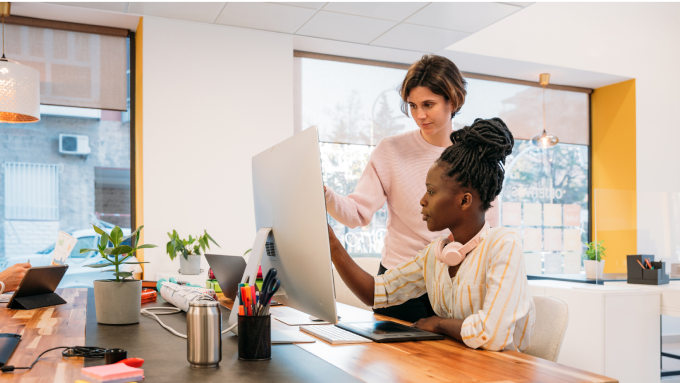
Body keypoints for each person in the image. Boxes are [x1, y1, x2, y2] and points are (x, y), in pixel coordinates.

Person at [329, 118, 535, 351]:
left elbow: (492, 335)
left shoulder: (503, 245)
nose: (422, 200)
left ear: (465, 200)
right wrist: (331, 243)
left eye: (431, 191)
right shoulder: (437, 253)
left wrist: (441, 324)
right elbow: (377, 293)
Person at [325, 54, 467, 322]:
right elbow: (357, 214)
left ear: (454, 101)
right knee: (390, 363)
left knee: (450, 363)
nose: (419, 115)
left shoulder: (471, 155)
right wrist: (325, 195)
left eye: (428, 104)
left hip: (453, 281)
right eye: (412, 106)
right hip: (398, 282)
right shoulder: (391, 150)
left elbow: (486, 230)